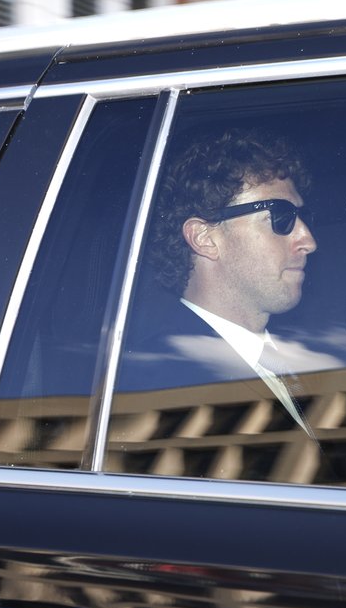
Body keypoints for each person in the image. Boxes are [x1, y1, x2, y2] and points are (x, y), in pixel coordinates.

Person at [119, 129, 318, 432]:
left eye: (302, 218)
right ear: (205, 238)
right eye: (281, 217)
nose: (308, 240)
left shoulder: (305, 357)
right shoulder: (163, 389)